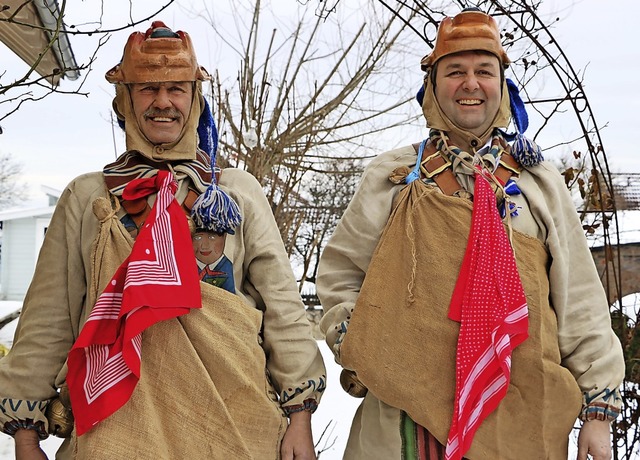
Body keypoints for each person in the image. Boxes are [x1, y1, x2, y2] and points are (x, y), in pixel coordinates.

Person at [0, 21, 325, 460]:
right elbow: (48, 317)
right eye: (148, 89)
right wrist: (25, 435)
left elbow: (283, 307)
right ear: (125, 99)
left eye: (177, 88)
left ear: (194, 99)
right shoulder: (87, 197)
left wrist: (300, 417)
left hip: (234, 423)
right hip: (116, 429)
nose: (163, 102)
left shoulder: (235, 192)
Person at [317, 8, 624, 460]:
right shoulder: (392, 178)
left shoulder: (539, 185)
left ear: (501, 85)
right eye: (455, 71)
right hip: (402, 420)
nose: (470, 84)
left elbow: (580, 300)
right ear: (433, 85)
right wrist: (364, 348)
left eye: (484, 71)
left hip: (519, 415)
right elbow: (341, 277)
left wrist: (598, 410)